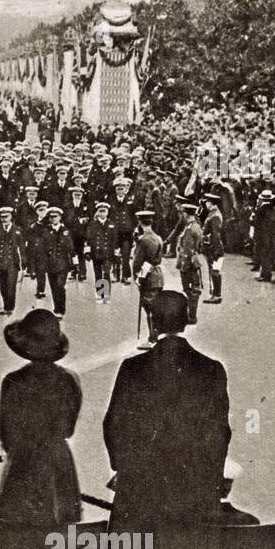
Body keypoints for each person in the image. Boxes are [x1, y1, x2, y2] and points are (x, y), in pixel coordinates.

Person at [103, 290, 232, 528]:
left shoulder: (132, 368)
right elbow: (220, 434)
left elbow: (112, 425)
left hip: (139, 495)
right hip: (192, 498)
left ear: (152, 321)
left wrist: (125, 468)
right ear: (186, 321)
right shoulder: (212, 369)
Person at [0, 310, 81, 526]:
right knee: (61, 534)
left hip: (23, 463)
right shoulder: (70, 380)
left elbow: (6, 435)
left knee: (19, 536)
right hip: (58, 462)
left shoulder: (13, 381)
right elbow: (68, 429)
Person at [131, 210, 165, 350]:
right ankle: (155, 337)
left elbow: (137, 262)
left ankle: (152, 340)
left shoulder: (143, 240)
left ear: (139, 222)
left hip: (147, 277)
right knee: (154, 307)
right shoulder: (158, 237)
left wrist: (136, 277)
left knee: (150, 308)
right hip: (157, 274)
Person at [36, 206, 74, 318]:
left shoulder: (66, 231)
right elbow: (41, 246)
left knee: (60, 285)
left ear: (60, 217)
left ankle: (61, 309)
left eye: (55, 217)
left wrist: (75, 264)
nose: (53, 219)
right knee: (53, 287)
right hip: (49, 263)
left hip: (63, 263)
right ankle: (56, 307)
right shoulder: (45, 231)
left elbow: (71, 248)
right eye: (51, 217)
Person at [0, 205, 25, 317]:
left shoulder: (17, 230)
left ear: (11, 217)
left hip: (12, 262)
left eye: (6, 216)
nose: (4, 219)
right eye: (2, 217)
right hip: (0, 262)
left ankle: (10, 307)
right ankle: (5, 306)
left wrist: (24, 262)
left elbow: (22, 247)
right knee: (3, 286)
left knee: (11, 286)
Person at [175, 202, 204, 325]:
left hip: (188, 263)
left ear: (186, 214)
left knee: (190, 290)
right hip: (194, 261)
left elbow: (187, 249)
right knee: (193, 289)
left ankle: (191, 316)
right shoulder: (195, 226)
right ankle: (191, 314)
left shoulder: (189, 229)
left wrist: (183, 266)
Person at [86, 201, 118, 303]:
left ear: (107, 213)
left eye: (105, 211)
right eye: (101, 211)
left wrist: (116, 253)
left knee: (107, 273)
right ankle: (100, 294)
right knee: (98, 274)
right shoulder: (92, 224)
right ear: (98, 213)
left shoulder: (112, 224)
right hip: (96, 253)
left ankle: (106, 295)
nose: (103, 213)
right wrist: (87, 252)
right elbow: (88, 238)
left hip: (108, 254)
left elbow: (115, 240)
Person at [201, 192, 225, 304]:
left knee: (215, 271)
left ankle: (217, 295)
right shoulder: (213, 213)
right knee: (213, 270)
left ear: (211, 203)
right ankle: (215, 294)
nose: (206, 204)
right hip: (212, 246)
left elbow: (216, 234)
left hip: (215, 248)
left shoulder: (215, 215)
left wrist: (216, 249)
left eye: (207, 202)